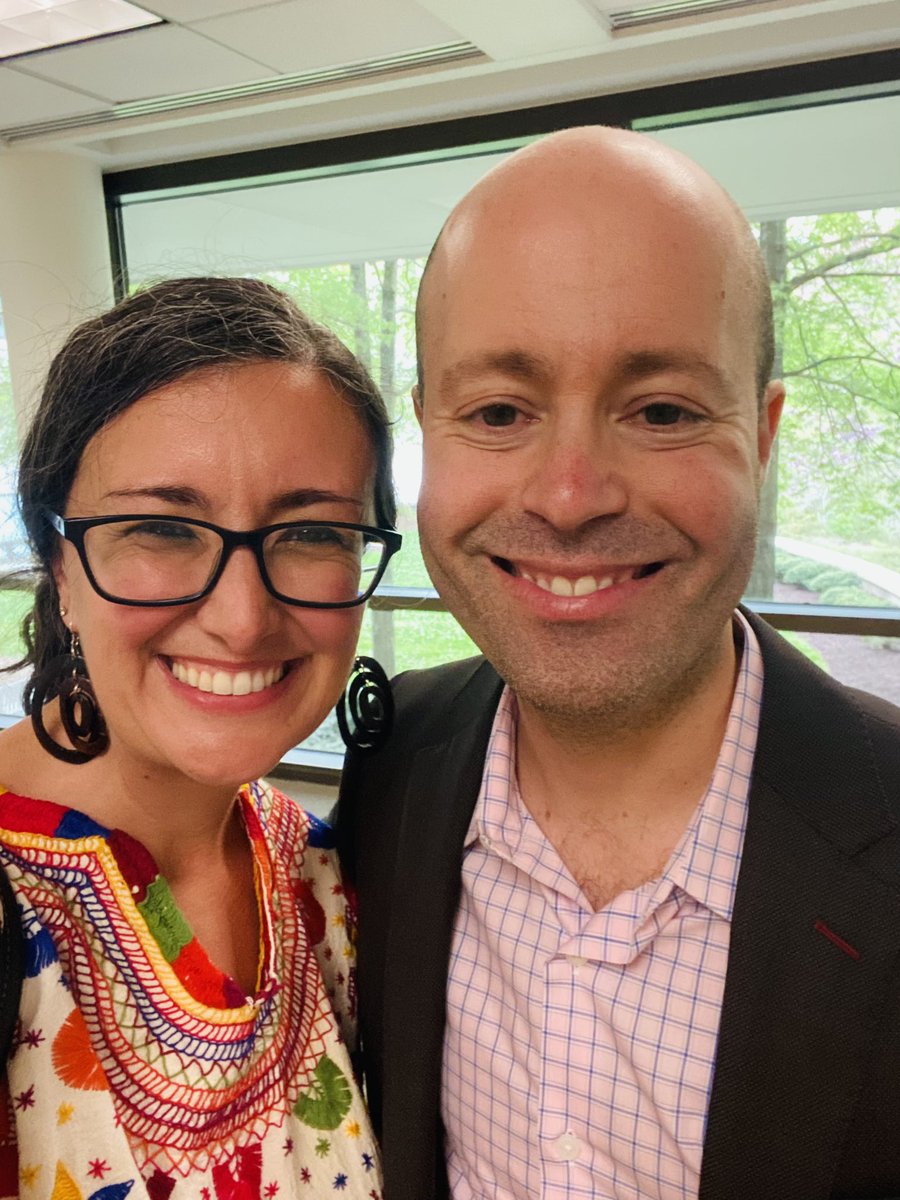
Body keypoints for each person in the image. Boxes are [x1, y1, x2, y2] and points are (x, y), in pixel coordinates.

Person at [335, 126, 900, 1200]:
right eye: (499, 411)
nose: (568, 494)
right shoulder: (393, 761)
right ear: (429, 435)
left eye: (663, 412)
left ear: (765, 436)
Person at [0, 277, 399, 1198]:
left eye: (310, 532)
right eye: (161, 527)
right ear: (59, 564)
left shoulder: (327, 876)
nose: (243, 619)